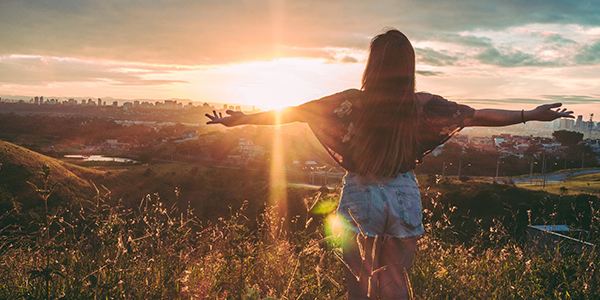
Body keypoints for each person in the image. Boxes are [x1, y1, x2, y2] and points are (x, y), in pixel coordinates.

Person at [205, 29, 574, 299]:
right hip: (403, 193)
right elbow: (478, 115)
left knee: (359, 284)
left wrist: (239, 120)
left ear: (372, 64)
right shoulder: (423, 104)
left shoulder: (351, 102)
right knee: (396, 280)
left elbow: (292, 113)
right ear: (408, 65)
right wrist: (530, 113)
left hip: (361, 191)